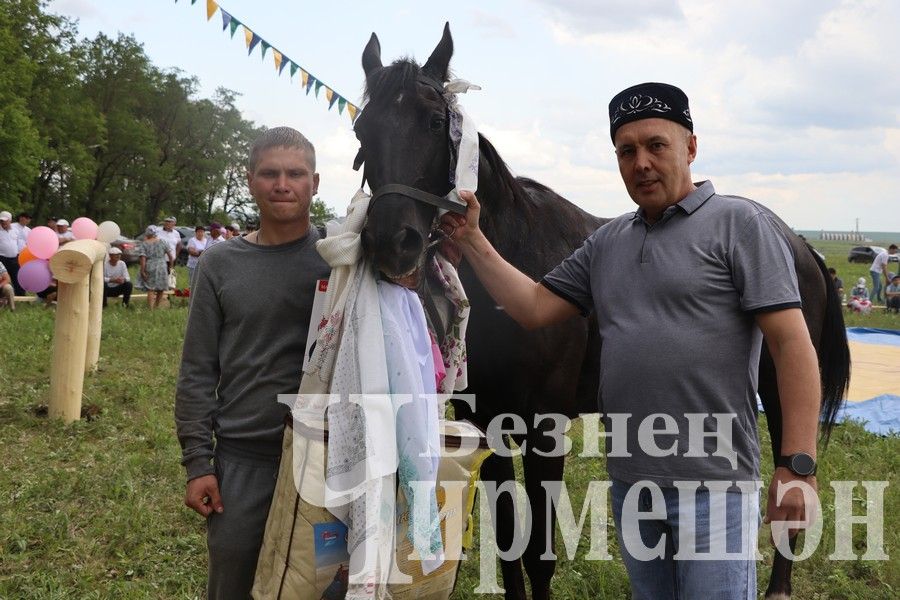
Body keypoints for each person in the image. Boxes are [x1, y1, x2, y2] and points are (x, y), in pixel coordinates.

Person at [441, 82, 821, 599]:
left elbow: (791, 344)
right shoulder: (608, 242)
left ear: (690, 147)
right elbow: (532, 307)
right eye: (627, 151)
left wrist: (797, 464)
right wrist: (472, 239)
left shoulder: (740, 225)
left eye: (655, 145)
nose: (641, 162)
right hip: (634, 485)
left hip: (714, 490)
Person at [175, 126, 331, 599]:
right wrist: (198, 461)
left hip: (323, 460)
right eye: (269, 173)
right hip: (243, 459)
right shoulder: (220, 263)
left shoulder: (341, 260)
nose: (282, 183)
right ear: (250, 181)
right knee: (233, 582)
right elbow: (198, 369)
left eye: (295, 173)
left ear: (315, 183)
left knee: (321, 584)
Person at [138, 225, 171, 309]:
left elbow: (143, 258)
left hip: (150, 265)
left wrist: (142, 270)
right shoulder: (163, 242)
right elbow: (171, 256)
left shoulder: (144, 244)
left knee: (151, 288)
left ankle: (150, 308)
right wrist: (170, 267)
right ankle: (156, 306)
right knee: (161, 287)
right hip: (162, 265)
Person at [0, 211, 22, 296]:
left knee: (17, 278)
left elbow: (16, 244)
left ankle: (20, 296)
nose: (3, 222)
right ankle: (4, 297)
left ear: (10, 220)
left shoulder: (15, 231)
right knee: (4, 279)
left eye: (5, 220)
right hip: (2, 258)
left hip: (14, 258)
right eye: (1, 220)